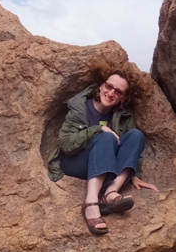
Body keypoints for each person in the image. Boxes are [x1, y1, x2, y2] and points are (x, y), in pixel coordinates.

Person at [47, 58, 158, 235]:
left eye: (118, 92)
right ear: (100, 86)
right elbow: (67, 145)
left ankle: (111, 191)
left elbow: (130, 147)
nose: (111, 93)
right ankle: (91, 202)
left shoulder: (122, 115)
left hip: (105, 166)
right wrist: (98, 129)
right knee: (106, 137)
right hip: (76, 162)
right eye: (109, 86)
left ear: (123, 98)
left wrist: (132, 173)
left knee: (136, 135)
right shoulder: (80, 108)